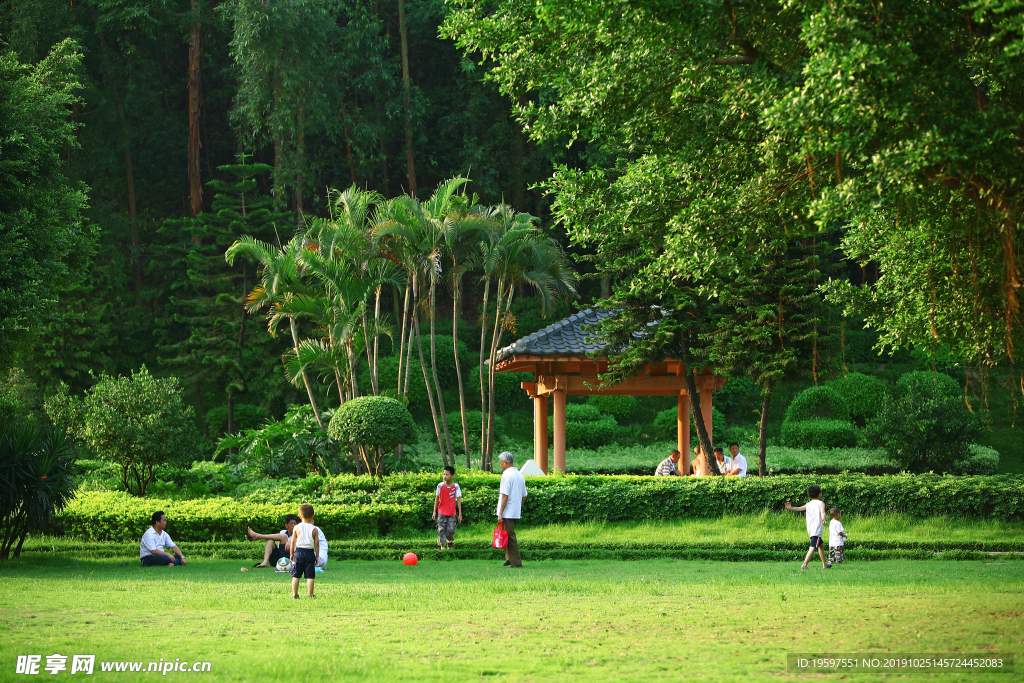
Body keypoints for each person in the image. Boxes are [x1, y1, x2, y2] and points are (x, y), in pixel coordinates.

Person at [786, 485, 830, 570]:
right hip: (817, 528)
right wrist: (823, 518)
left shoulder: (809, 504)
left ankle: (825, 564)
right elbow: (823, 512)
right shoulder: (821, 503)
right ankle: (805, 564)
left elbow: (800, 508)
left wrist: (791, 508)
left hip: (810, 528)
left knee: (821, 545)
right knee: (813, 546)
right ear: (820, 494)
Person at [495, 451, 527, 568]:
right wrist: (518, 506)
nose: (500, 465)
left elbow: (505, 495)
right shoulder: (520, 475)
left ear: (505, 462)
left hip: (507, 511)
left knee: (510, 536)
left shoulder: (506, 475)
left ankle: (516, 562)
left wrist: (501, 513)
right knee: (506, 534)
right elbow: (524, 495)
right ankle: (509, 558)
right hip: (515, 510)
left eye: (500, 463)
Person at [288, 504, 321, 599]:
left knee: (296, 575)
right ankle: (310, 594)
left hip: (298, 552)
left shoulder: (297, 528)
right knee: (310, 576)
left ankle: (295, 594)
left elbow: (293, 542)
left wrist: (291, 554)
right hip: (310, 553)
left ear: (300, 516)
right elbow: (316, 544)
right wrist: (317, 556)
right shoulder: (314, 529)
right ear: (313, 516)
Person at [432, 465, 463, 549]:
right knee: (441, 529)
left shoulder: (456, 486)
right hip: (441, 511)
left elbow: (458, 500)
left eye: (447, 474)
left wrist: (460, 514)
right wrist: (434, 511)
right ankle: (442, 546)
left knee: (451, 529)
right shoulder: (440, 486)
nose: (445, 476)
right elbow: (437, 498)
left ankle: (450, 542)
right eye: (444, 474)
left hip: (451, 512)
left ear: (452, 476)